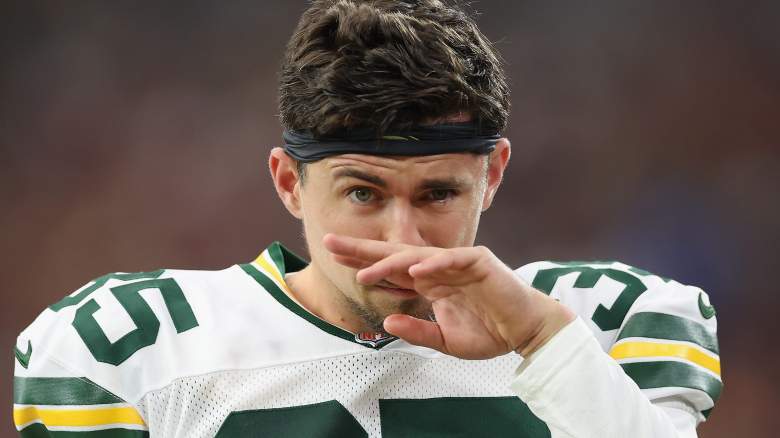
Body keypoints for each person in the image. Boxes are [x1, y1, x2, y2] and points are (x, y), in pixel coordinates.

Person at [12, 1, 721, 437]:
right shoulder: (134, 348)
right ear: (290, 182)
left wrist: (542, 343)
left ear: (493, 174)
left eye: (438, 195)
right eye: (363, 194)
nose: (403, 244)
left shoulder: (603, 322)